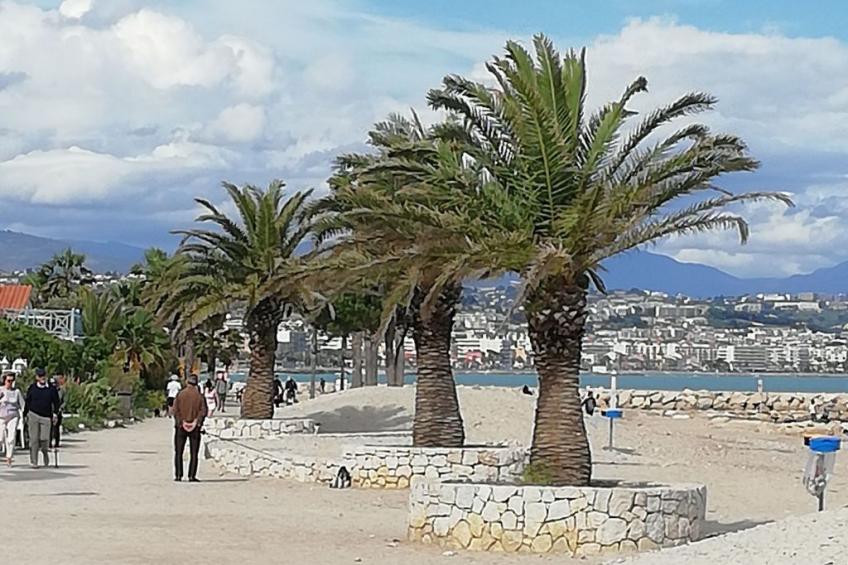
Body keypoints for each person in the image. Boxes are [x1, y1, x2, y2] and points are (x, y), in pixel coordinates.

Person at [172, 374, 208, 482]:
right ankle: (192, 476)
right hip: (195, 428)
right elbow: (203, 411)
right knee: (194, 453)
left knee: (178, 452)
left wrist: (181, 422)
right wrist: (197, 422)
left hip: (180, 427)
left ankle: (178, 475)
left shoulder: (180, 395)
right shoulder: (200, 396)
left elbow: (175, 410)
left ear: (187, 382)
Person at [24, 368, 60, 468]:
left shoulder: (51, 389)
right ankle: (34, 461)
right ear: (36, 377)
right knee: (34, 439)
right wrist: (25, 415)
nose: (42, 378)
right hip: (33, 415)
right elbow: (28, 402)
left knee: (44, 439)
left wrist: (55, 414)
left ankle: (45, 452)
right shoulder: (32, 388)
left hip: (46, 417)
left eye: (43, 375)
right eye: (40, 376)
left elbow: (56, 402)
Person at [0, 372, 24, 466]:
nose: (10, 383)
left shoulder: (16, 392)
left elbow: (22, 405)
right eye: (8, 381)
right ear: (4, 380)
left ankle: (9, 456)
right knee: (0, 437)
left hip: (13, 416)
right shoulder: (1, 390)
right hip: (1, 416)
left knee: (11, 437)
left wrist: (23, 416)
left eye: (12, 381)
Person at [49, 376, 65, 448]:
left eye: (54, 383)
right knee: (49, 428)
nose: (53, 385)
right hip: (49, 412)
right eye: (51, 383)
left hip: (58, 411)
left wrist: (61, 408)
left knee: (56, 428)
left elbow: (64, 401)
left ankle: (57, 443)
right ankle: (48, 443)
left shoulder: (61, 391)